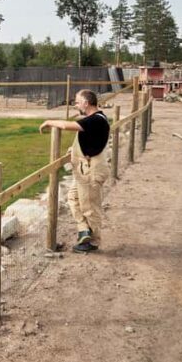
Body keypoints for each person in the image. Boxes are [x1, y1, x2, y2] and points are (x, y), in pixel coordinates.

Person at [39, 89, 110, 253]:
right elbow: (89, 140)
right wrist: (74, 150)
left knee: (90, 206)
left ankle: (92, 242)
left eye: (77, 102)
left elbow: (66, 125)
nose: (76, 105)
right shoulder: (93, 121)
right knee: (73, 197)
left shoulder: (95, 120)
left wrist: (49, 121)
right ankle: (84, 230)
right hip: (84, 169)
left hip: (90, 170)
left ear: (86, 103)